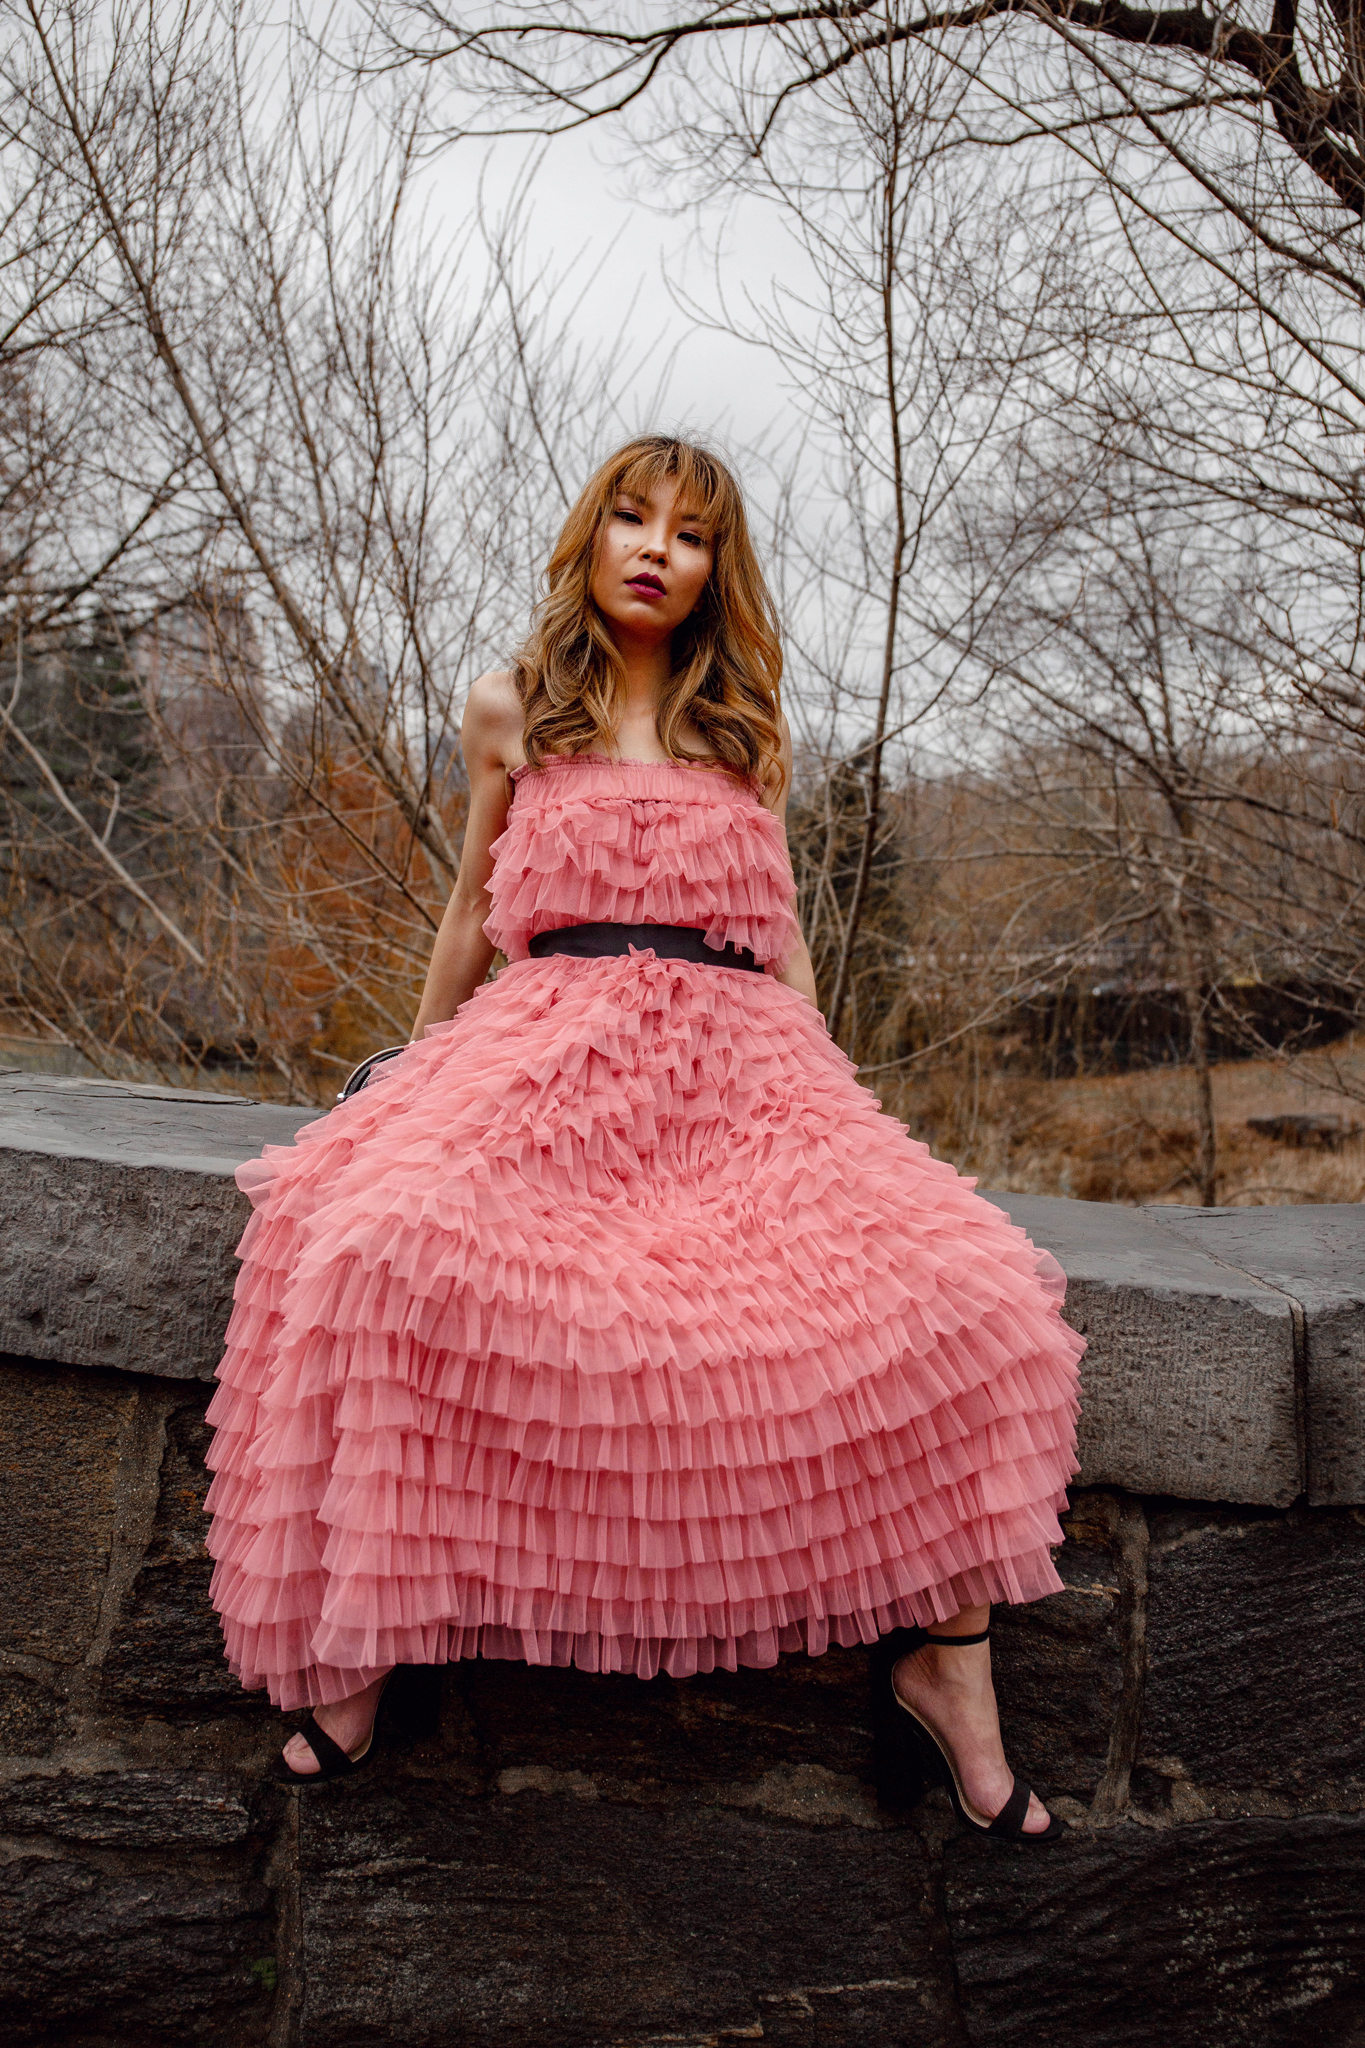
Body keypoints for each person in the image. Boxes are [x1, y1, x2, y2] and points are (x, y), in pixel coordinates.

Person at [204, 434, 1082, 1840]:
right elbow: (466, 912)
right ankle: (367, 1635)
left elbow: (781, 930)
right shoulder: (514, 710)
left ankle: (946, 1668)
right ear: (590, 534)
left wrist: (831, 1095)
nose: (652, 546)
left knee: (973, 1298)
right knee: (376, 1249)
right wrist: (414, 1061)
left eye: (685, 531)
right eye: (630, 516)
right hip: (546, 1054)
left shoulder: (747, 730)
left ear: (710, 569)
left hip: (738, 1067)